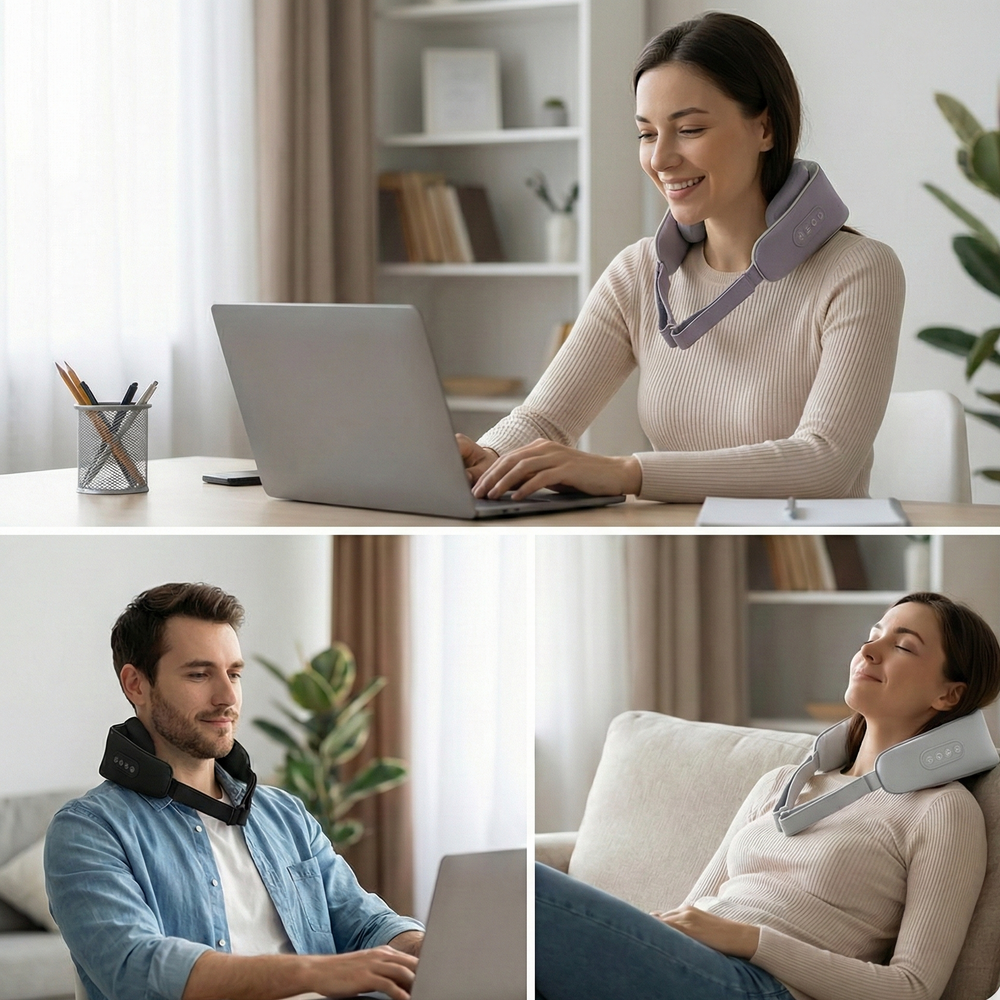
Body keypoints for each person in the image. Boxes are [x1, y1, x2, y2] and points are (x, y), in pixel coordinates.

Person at [458, 13, 905, 504]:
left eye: (689, 129)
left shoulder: (859, 270)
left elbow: (826, 465)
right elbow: (545, 419)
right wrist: (489, 457)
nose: (661, 158)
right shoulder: (637, 273)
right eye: (647, 134)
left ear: (765, 128)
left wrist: (629, 473)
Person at [536, 592, 1000, 1000]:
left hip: (758, 988)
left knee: (520, 886)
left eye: (901, 646)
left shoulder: (941, 811)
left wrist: (752, 941)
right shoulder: (783, 783)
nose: (868, 650)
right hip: (693, 966)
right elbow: (692, 912)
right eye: (873, 633)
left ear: (949, 694)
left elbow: (912, 989)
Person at [45, 583, 424, 1000]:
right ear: (136, 684)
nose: (227, 697)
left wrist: (425, 951)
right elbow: (139, 967)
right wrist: (311, 973)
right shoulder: (88, 830)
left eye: (234, 673)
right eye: (199, 674)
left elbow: (365, 924)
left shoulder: (285, 814)